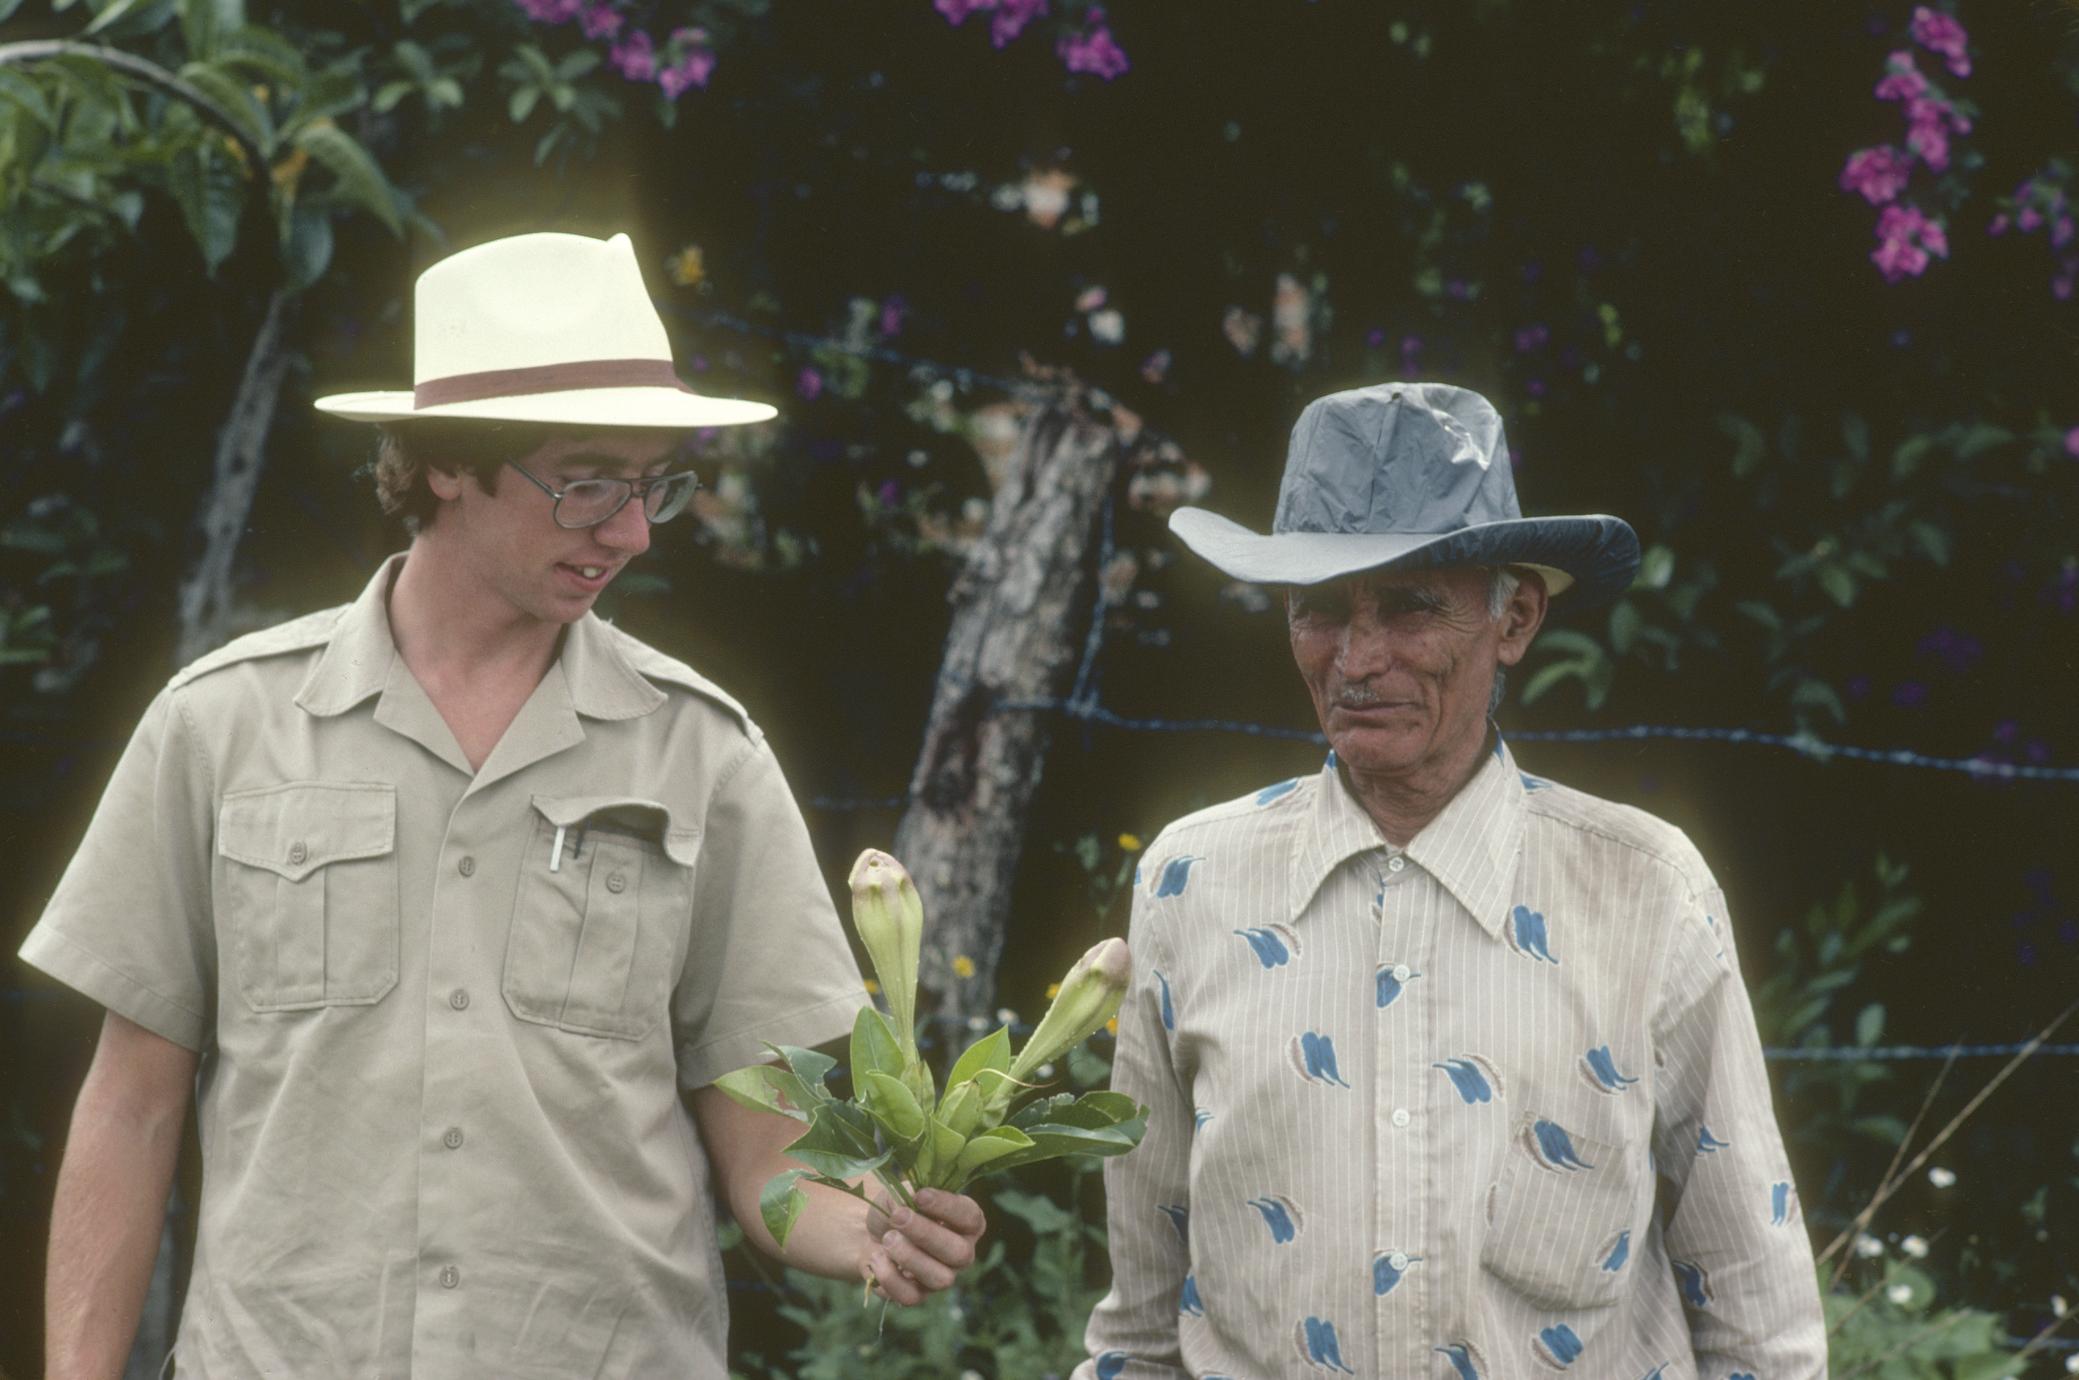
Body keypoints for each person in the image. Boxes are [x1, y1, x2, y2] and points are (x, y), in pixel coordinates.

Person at [20, 230, 984, 1379]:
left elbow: (770, 1147)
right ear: (446, 463)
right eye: (587, 482)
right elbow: (130, 1108)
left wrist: (871, 1229)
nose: (630, 530)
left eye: (653, 485)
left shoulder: (705, 755)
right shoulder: (220, 727)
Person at [1079, 383, 1824, 1378]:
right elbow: (1139, 1332)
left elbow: (1757, 1320)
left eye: (1410, 606)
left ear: (1514, 619)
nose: (1357, 659)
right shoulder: (1192, 883)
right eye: (1318, 610)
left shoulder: (1645, 890)